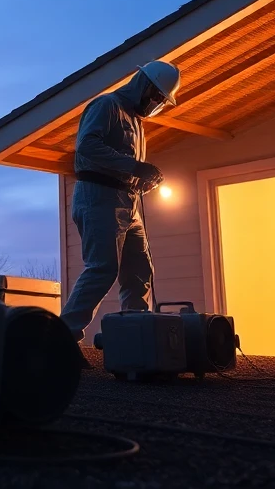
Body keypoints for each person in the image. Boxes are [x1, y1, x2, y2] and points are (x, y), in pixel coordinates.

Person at [60, 60, 181, 356]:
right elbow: (87, 147)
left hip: (128, 201)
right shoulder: (106, 106)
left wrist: (142, 179)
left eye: (160, 102)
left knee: (139, 270)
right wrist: (136, 167)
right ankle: (60, 339)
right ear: (145, 85)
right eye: (156, 98)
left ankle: (134, 338)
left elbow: (127, 167)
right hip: (99, 197)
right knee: (103, 268)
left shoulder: (137, 123)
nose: (155, 105)